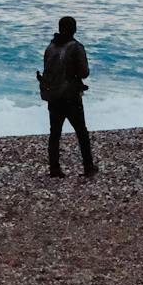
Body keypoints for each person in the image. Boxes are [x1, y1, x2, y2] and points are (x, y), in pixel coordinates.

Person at [36, 16, 97, 177]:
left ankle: (54, 169)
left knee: (55, 133)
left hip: (53, 96)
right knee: (81, 132)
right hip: (71, 96)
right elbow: (84, 73)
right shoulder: (76, 47)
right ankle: (88, 167)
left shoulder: (50, 47)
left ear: (60, 28)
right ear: (74, 29)